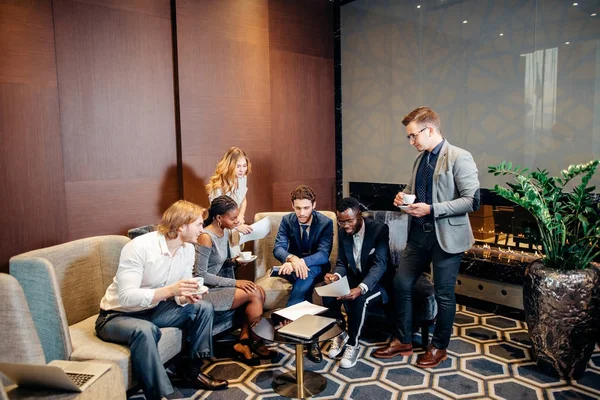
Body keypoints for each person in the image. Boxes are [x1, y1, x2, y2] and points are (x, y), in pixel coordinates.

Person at [373, 106, 480, 368]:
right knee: (401, 283)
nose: (411, 142)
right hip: (419, 235)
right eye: (409, 137)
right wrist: (402, 195)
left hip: (447, 238)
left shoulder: (459, 157)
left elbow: (472, 201)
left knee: (444, 294)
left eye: (413, 136)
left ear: (429, 129)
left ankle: (439, 346)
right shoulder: (420, 159)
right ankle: (403, 340)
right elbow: (414, 189)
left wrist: (432, 209)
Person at [96, 200, 228, 400]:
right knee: (146, 330)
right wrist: (170, 291)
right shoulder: (139, 247)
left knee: (203, 307)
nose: (203, 230)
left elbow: (180, 289)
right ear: (182, 225)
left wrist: (187, 296)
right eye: (199, 225)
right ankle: (162, 395)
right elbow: (126, 296)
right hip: (117, 315)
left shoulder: (188, 248)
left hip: (154, 309)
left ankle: (192, 373)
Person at [194, 195, 274, 364]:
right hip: (206, 291)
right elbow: (200, 274)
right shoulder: (206, 237)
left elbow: (218, 264)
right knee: (253, 294)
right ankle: (256, 342)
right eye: (233, 218)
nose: (237, 221)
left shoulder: (223, 232)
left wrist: (234, 262)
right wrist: (235, 282)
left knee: (258, 290)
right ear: (218, 218)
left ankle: (244, 341)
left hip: (219, 285)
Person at [323, 197, 392, 368]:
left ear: (359, 215)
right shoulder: (342, 231)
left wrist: (360, 288)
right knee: (329, 291)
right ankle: (339, 334)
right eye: (341, 222)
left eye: (349, 221)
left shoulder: (379, 230)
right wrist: (336, 277)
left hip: (378, 282)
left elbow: (380, 265)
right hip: (355, 277)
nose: (346, 226)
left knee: (360, 299)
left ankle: (353, 344)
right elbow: (341, 263)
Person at [273, 184, 334, 362]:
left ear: (314, 205)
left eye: (306, 208)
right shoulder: (287, 220)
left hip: (316, 266)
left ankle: (288, 318)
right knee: (303, 277)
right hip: (292, 267)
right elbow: (278, 248)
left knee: (304, 274)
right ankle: (310, 340)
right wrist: (291, 258)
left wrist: (299, 262)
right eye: (298, 208)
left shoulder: (325, 222)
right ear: (292, 205)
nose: (301, 212)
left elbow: (323, 254)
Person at [206, 147, 253, 233]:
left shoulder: (242, 178)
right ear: (230, 165)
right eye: (238, 166)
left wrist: (241, 216)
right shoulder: (219, 185)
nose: (242, 170)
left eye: (244, 166)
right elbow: (218, 214)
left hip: (234, 223)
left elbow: (243, 199)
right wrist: (237, 226)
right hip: (221, 227)